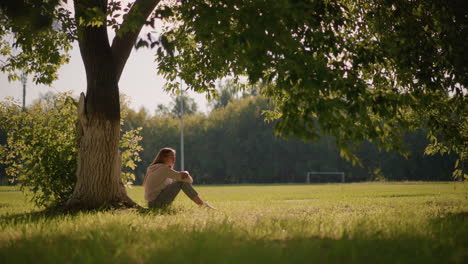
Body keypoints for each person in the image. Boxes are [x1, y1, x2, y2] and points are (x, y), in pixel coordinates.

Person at [144, 147, 215, 209]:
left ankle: (202, 205)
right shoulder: (163, 169)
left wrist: (184, 175)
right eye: (171, 157)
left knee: (180, 182)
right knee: (181, 182)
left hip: (152, 204)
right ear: (164, 157)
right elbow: (188, 181)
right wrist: (186, 173)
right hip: (156, 204)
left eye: (174, 156)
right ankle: (203, 206)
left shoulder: (154, 168)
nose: (174, 159)